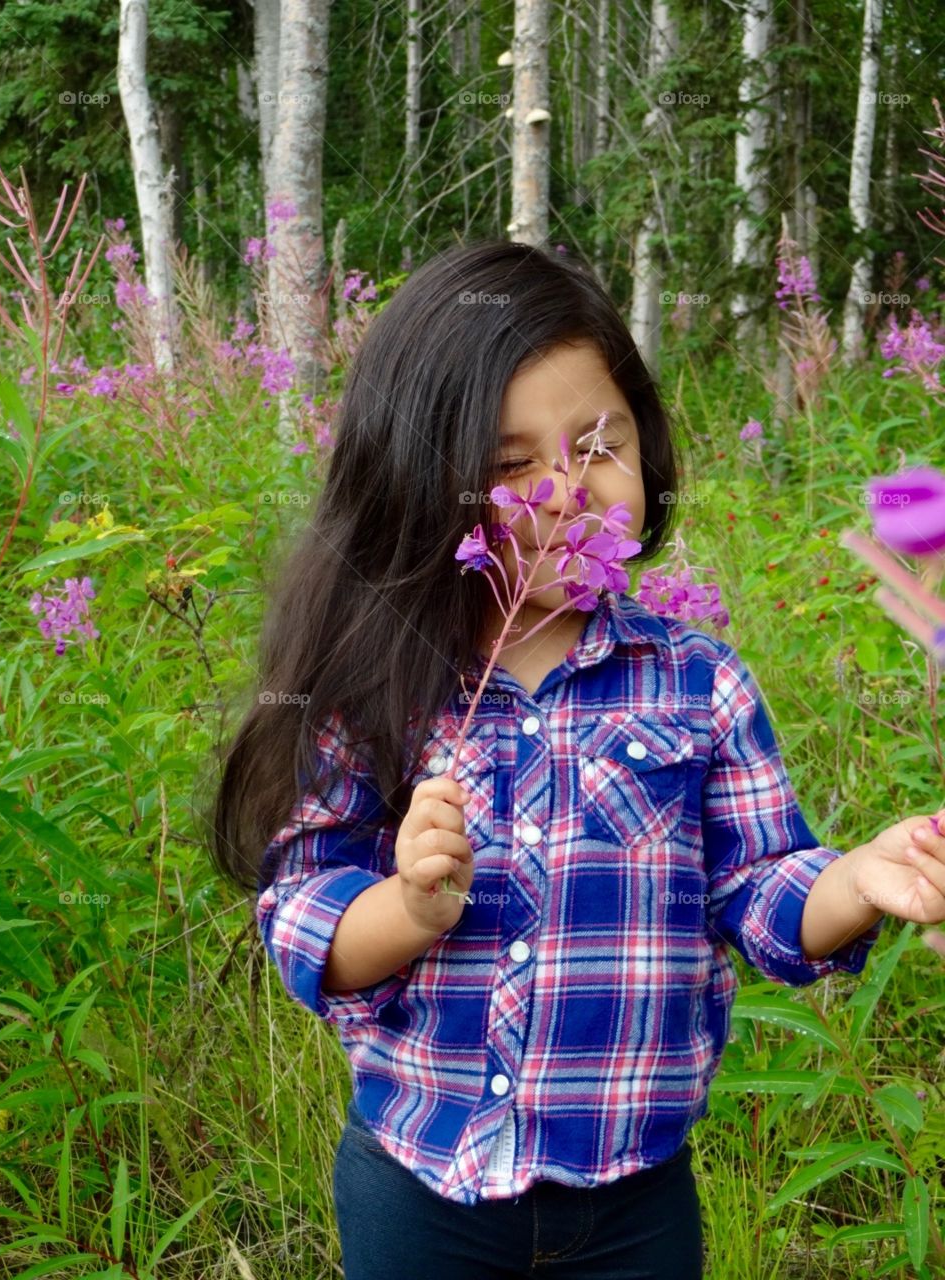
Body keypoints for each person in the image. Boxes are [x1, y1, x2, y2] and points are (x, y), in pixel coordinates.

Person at [211, 239, 945, 1280]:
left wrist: (854, 878)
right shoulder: (376, 682)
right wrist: (410, 907)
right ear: (419, 484)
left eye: (598, 445)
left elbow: (762, 889)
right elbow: (302, 910)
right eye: (509, 468)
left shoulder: (697, 683)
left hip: (633, 1199)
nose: (561, 490)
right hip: (424, 1185)